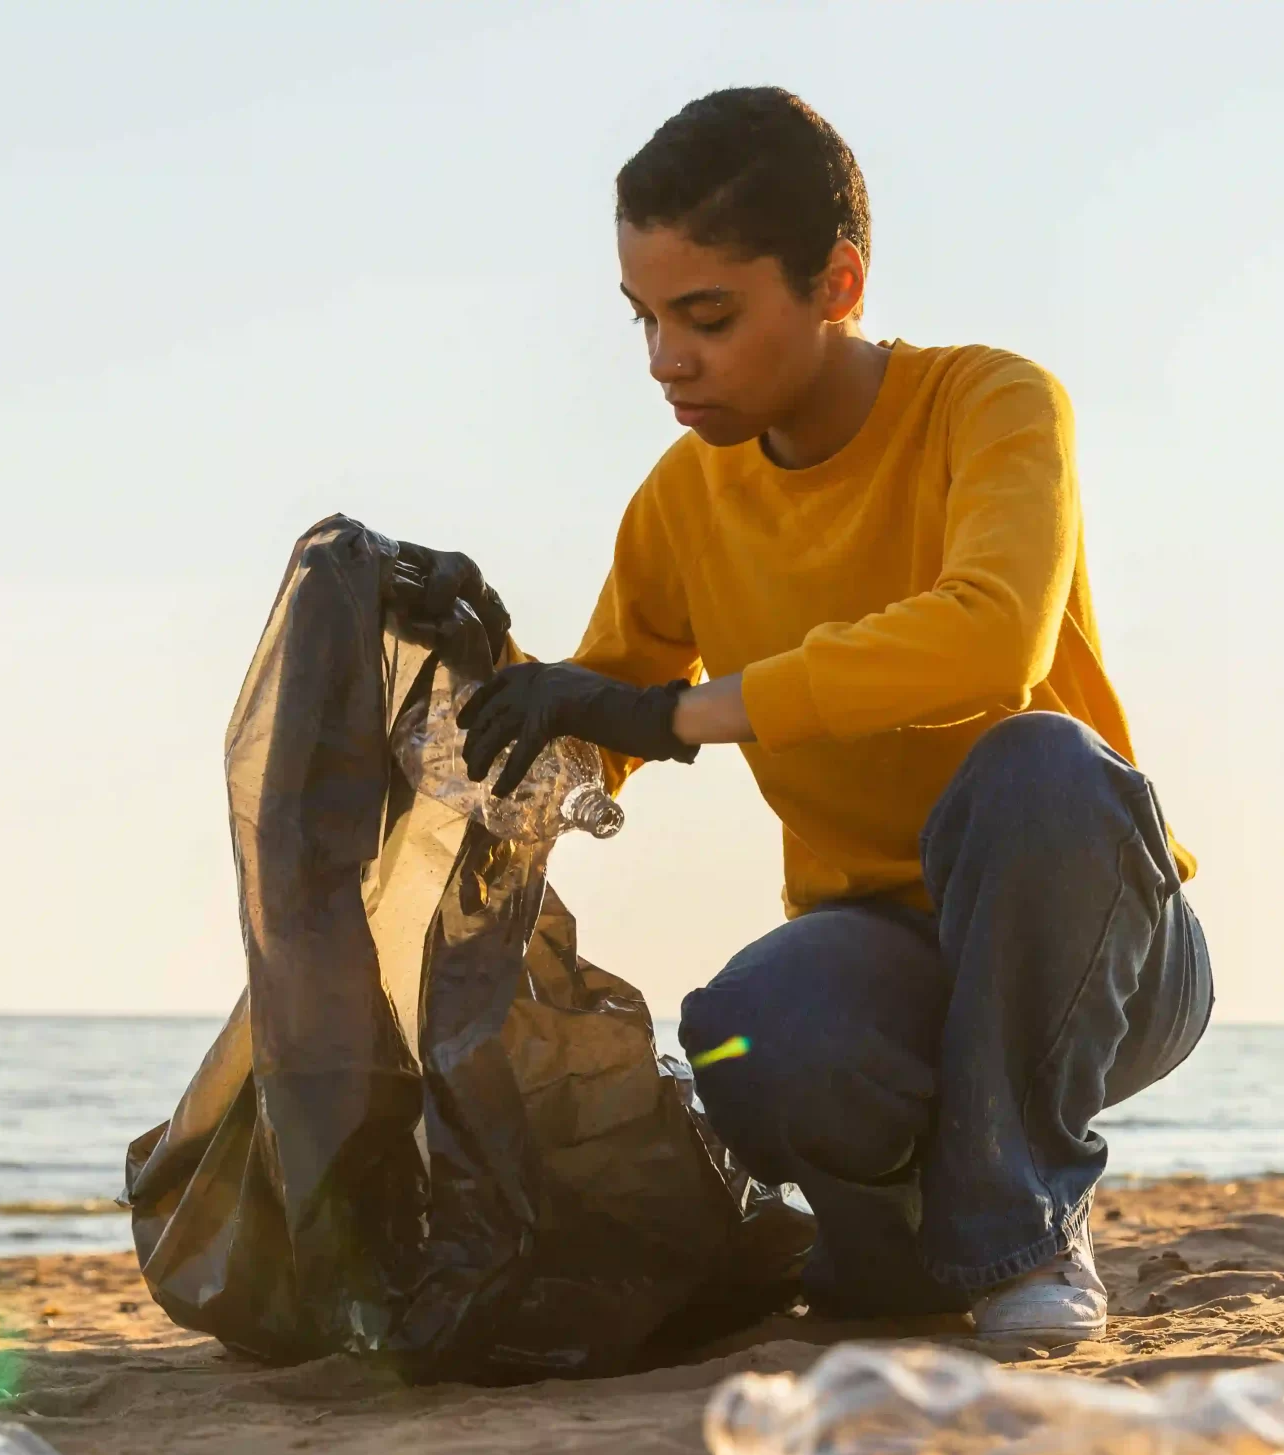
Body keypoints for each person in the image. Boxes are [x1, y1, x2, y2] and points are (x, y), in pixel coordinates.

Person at [386, 88, 1211, 1346]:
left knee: (1041, 761)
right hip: (879, 958)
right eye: (645, 320)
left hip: (1102, 941)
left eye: (706, 317)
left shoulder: (991, 404)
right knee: (734, 1044)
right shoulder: (679, 499)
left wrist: (691, 712)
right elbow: (600, 718)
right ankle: (900, 1252)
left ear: (838, 282)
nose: (667, 359)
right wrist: (473, 667)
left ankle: (1020, 1233)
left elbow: (993, 640)